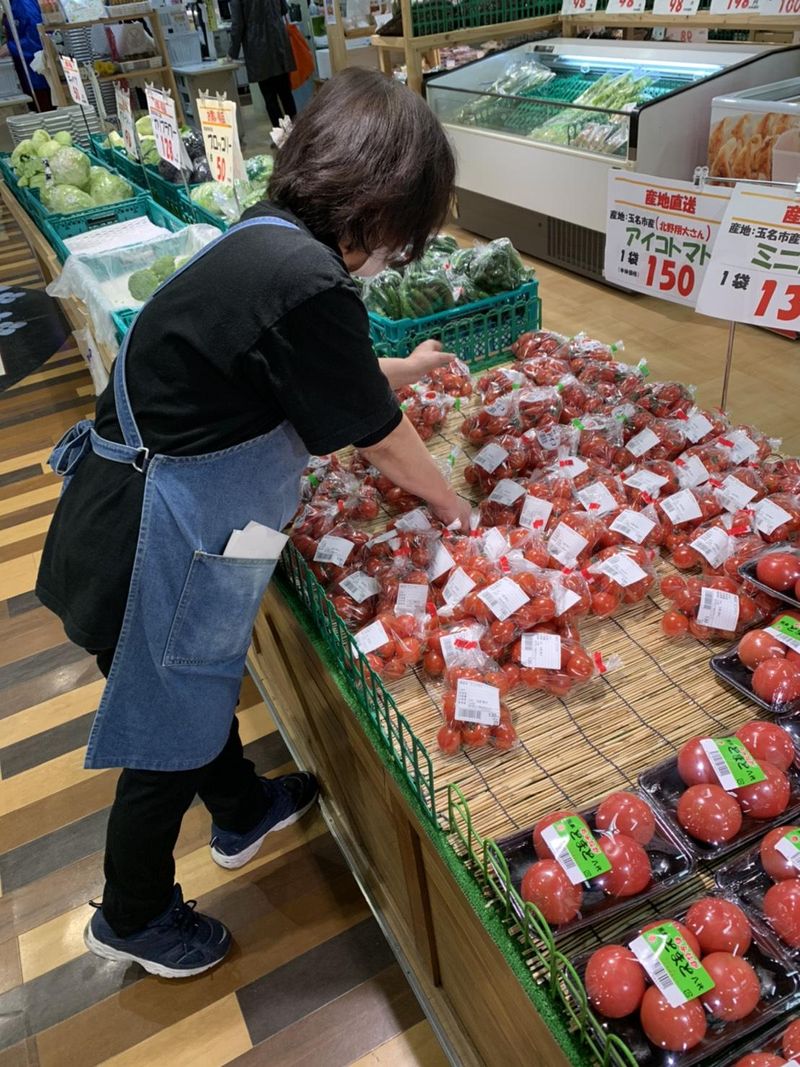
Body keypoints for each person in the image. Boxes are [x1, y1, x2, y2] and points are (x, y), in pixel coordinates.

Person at [36, 68, 467, 979]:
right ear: (382, 203)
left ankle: (241, 810)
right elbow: (380, 437)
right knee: (164, 735)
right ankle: (134, 914)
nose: (396, 251)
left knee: (195, 690)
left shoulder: (267, 238)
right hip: (148, 544)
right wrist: (454, 504)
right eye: (404, 229)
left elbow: (320, 369)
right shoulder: (305, 276)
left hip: (145, 520)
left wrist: (412, 365)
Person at [228, 0, 297, 129]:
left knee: (270, 98)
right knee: (286, 93)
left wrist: (232, 53)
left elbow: (238, 25)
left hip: (258, 48)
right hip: (278, 42)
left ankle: (281, 135)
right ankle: (297, 132)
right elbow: (284, 9)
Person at [1, 0, 53, 112]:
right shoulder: (12, 4)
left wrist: (8, 48)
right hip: (25, 72)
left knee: (45, 110)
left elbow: (36, 38)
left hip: (37, 72)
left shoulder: (23, 4)